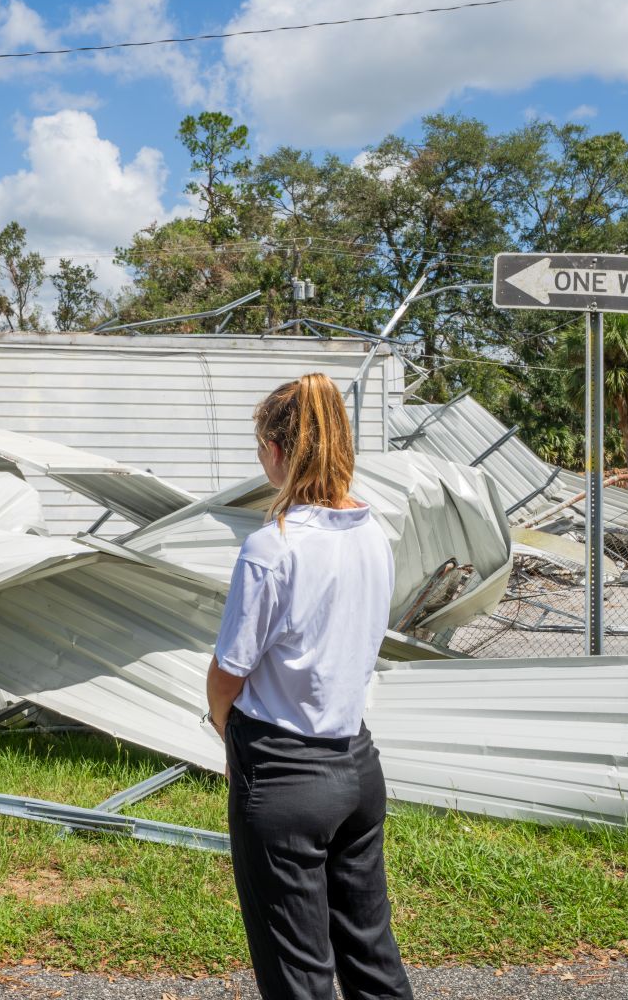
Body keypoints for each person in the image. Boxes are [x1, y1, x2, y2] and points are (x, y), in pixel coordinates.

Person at [205, 373, 414, 1000]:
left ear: (276, 451)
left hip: (283, 771)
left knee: (297, 970)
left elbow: (229, 671)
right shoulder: (375, 535)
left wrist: (223, 723)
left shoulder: (273, 548)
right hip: (356, 764)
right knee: (369, 951)